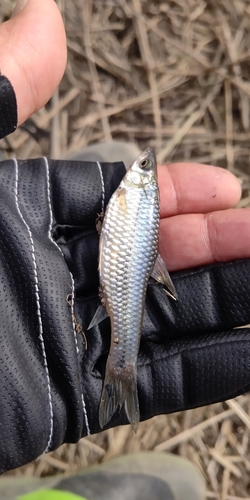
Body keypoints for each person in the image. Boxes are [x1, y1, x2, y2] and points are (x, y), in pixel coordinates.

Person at [0, 1, 250, 498]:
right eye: (143, 173)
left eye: (141, 174)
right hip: (123, 266)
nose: (140, 171)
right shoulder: (133, 202)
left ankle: (119, 372)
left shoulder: (133, 200)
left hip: (122, 269)